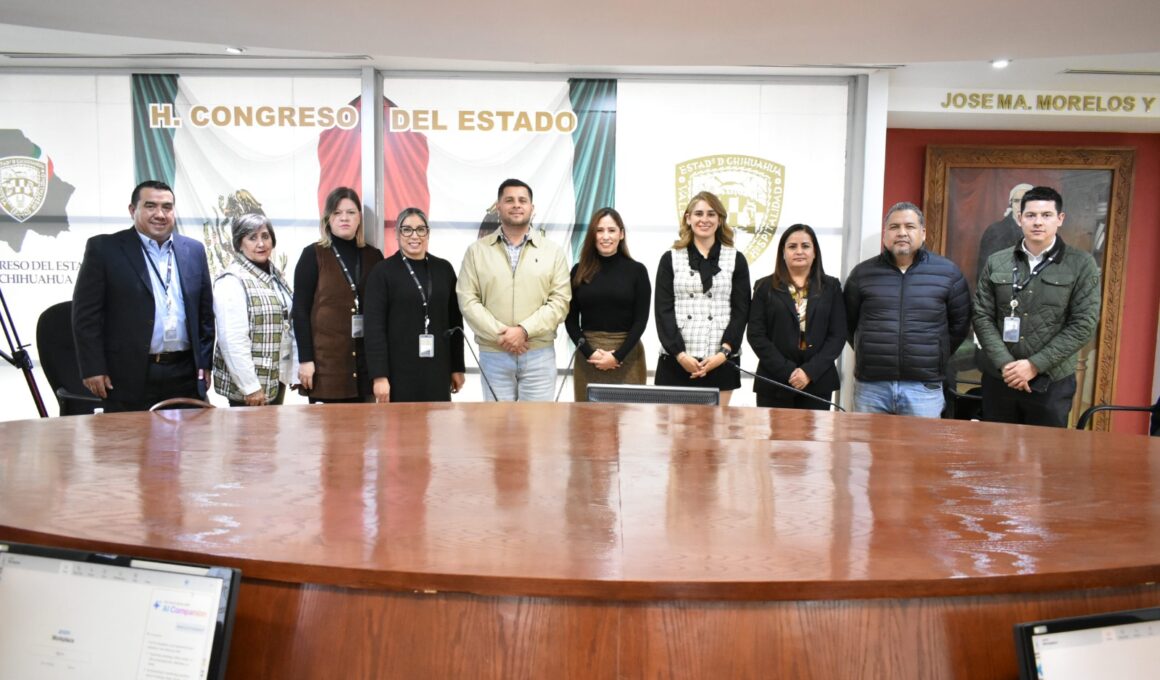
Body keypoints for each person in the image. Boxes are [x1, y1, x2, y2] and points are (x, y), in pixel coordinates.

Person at [72, 180, 214, 412]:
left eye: (167, 207)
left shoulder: (194, 250)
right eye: (150, 206)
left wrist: (205, 363)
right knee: (131, 436)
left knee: (189, 435)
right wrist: (93, 367)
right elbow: (86, 316)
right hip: (129, 374)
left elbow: (205, 315)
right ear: (132, 210)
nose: (160, 214)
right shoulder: (105, 249)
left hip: (185, 373)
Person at [973, 186, 1101, 427]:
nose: (1038, 222)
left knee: (1045, 450)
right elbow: (981, 315)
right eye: (1030, 215)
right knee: (994, 448)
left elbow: (1083, 324)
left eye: (1046, 215)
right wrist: (1006, 364)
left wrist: (1034, 365)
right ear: (1019, 218)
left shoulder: (1081, 264)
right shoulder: (997, 261)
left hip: (1052, 383)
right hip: (1000, 378)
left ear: (1060, 219)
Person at [844, 201, 971, 417]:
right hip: (872, 387)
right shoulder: (862, 274)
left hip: (924, 387)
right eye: (894, 227)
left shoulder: (948, 273)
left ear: (923, 233)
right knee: (866, 440)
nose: (902, 232)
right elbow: (848, 323)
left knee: (921, 441)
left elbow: (960, 324)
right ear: (885, 235)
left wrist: (935, 353)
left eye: (909, 226)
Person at [456, 179, 571, 401]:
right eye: (509, 200)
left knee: (538, 422)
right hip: (494, 355)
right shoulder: (477, 252)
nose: (516, 205)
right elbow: (468, 301)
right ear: (498, 207)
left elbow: (560, 302)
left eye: (522, 200)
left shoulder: (553, 252)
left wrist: (524, 331)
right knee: (496, 423)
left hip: (538, 355)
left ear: (532, 208)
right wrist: (503, 335)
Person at [654, 191, 750, 406]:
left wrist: (723, 353)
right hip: (676, 361)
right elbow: (663, 311)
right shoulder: (670, 258)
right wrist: (680, 355)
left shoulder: (736, 259)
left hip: (720, 361)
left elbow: (741, 311)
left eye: (711, 214)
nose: (704, 219)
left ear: (720, 220)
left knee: (717, 426)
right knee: (674, 428)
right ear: (688, 218)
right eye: (698, 214)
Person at [364, 208, 466, 402]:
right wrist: (379, 376)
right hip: (398, 372)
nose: (414, 236)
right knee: (403, 422)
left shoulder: (444, 269)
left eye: (420, 229)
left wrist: (457, 367)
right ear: (397, 233)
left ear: (428, 233)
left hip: (437, 369)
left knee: (438, 420)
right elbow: (374, 329)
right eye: (407, 230)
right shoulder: (382, 272)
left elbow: (455, 321)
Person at [292, 187, 383, 403]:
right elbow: (300, 311)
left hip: (364, 367)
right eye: (337, 212)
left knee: (364, 424)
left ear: (359, 218)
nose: (344, 218)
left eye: (351, 212)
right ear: (328, 218)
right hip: (326, 367)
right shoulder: (313, 254)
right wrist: (305, 360)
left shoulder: (374, 256)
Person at [747, 223, 846, 409]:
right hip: (775, 381)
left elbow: (838, 335)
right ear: (783, 253)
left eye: (805, 246)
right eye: (792, 246)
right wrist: (788, 371)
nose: (799, 251)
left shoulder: (831, 287)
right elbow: (756, 334)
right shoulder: (764, 287)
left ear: (815, 252)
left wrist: (809, 372)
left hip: (817, 381)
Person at [564, 207, 651, 401]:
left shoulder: (637, 271)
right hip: (588, 357)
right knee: (588, 418)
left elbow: (641, 321)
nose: (605, 236)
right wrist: (590, 354)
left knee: (629, 417)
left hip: (628, 356)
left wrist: (618, 356)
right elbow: (570, 321)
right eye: (599, 230)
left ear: (621, 234)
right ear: (592, 235)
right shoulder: (578, 271)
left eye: (611, 230)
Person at [211, 213, 297, 406]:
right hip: (250, 388)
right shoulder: (232, 280)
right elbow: (232, 340)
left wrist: (291, 370)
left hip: (275, 379)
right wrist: (250, 387)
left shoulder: (274, 275)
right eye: (252, 237)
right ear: (239, 244)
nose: (261, 243)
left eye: (265, 236)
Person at [976, 183, 1034, 285]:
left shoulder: (1042, 230)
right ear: (1011, 204)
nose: (1021, 205)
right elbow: (985, 272)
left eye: (1025, 200)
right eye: (1016, 201)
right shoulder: (996, 231)